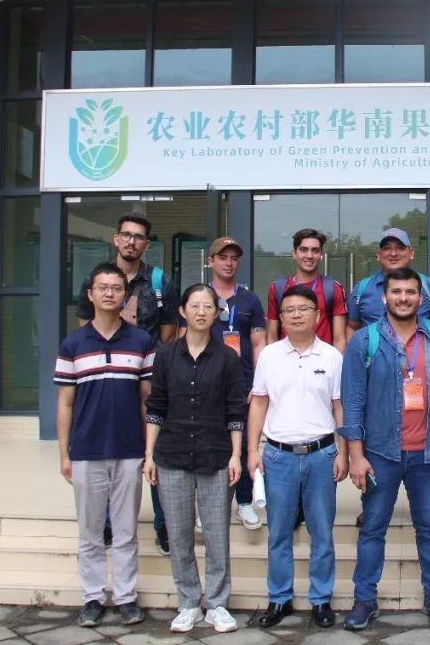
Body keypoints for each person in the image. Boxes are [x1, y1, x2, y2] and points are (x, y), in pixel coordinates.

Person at [339, 267, 430, 630]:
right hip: (381, 454)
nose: (404, 298)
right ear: (384, 297)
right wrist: (356, 455)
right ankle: (364, 599)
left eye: (410, 292)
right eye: (397, 292)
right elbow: (352, 401)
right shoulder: (364, 341)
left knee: (429, 527)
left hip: (428, 453)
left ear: (421, 299)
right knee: (373, 527)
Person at [56, 262, 154, 628]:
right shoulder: (73, 344)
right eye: (103, 287)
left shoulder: (141, 341)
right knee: (91, 532)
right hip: (86, 450)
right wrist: (63, 452)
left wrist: (149, 451)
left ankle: (126, 597)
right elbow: (65, 403)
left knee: (126, 532)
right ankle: (93, 598)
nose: (110, 293)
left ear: (125, 296)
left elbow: (146, 400)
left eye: (116, 288)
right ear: (91, 294)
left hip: (129, 450)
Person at [143, 284, 246, 634]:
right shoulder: (165, 356)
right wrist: (149, 455)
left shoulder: (228, 358)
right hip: (171, 456)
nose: (201, 312)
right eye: (195, 306)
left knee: (217, 535)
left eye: (208, 307)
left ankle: (217, 604)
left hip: (216, 456)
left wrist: (236, 454)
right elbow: (156, 407)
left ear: (217, 314)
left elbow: (235, 410)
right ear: (182, 311)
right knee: (179, 535)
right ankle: (188, 602)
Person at [76, 212, 178, 554]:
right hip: (108, 378)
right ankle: (106, 523)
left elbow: (167, 334)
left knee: (156, 449)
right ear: (116, 239)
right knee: (108, 447)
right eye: (126, 235)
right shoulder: (98, 279)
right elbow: (87, 328)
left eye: (139, 237)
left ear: (146, 244)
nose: (132, 241)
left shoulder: (160, 283)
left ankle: (163, 524)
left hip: (149, 379)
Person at [247, 284, 347, 628]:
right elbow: (259, 403)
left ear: (318, 316)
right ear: (281, 317)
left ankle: (321, 598)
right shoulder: (269, 356)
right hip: (279, 456)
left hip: (322, 453)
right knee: (278, 532)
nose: (296, 315)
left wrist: (343, 451)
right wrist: (252, 450)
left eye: (304, 309)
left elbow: (339, 407)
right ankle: (279, 598)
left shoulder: (332, 357)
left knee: (322, 532)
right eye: (289, 310)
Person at [192, 236, 268, 531]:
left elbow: (259, 343)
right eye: (222, 257)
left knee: (247, 443)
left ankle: (245, 502)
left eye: (234, 258)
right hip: (206, 384)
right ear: (210, 261)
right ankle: (208, 506)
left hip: (243, 386)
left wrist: (258, 384)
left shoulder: (249, 300)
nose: (228, 262)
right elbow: (187, 339)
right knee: (209, 443)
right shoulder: (200, 296)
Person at [347, 228, 430, 335]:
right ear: (378, 255)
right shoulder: (362, 288)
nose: (393, 253)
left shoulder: (429, 286)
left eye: (400, 248)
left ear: (411, 253)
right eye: (387, 248)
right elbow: (352, 327)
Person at [266, 228, 348, 353]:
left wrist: (336, 364)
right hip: (286, 360)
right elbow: (272, 336)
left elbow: (340, 339)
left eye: (315, 250)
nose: (309, 256)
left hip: (322, 361)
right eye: (304, 250)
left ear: (321, 255)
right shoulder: (277, 288)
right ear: (294, 253)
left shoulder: (333, 288)